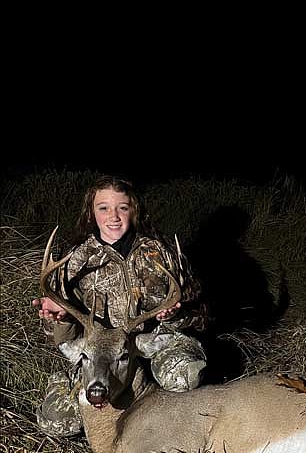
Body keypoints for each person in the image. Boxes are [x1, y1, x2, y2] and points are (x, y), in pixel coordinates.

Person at [33, 175, 209, 437]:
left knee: (181, 378)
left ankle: (181, 428)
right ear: (92, 213)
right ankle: (66, 382)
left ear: (133, 211)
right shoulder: (74, 259)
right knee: (57, 423)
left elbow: (198, 317)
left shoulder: (158, 253)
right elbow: (60, 340)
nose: (113, 216)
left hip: (148, 345)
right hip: (100, 354)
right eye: (103, 208)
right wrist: (62, 319)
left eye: (122, 208)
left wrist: (173, 315)